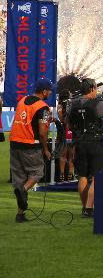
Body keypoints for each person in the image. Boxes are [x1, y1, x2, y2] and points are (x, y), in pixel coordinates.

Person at [66, 78, 103, 218]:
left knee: (82, 176)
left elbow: (69, 125)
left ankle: (84, 207)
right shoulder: (99, 104)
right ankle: (89, 208)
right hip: (96, 142)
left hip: (80, 143)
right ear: (93, 89)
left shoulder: (73, 104)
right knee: (96, 177)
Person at [9, 79, 53, 223]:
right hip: (30, 145)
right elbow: (42, 132)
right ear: (44, 91)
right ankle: (23, 190)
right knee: (37, 172)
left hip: (15, 143)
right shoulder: (44, 107)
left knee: (19, 178)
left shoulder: (23, 100)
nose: (51, 92)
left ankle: (20, 214)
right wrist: (46, 149)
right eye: (49, 90)